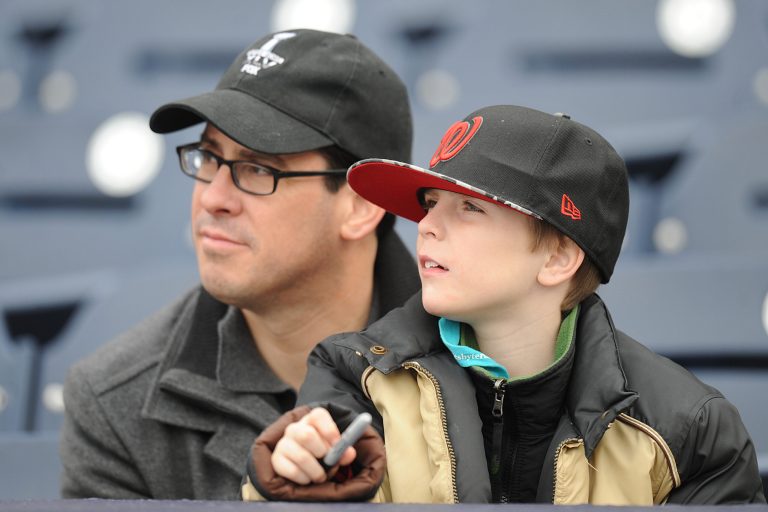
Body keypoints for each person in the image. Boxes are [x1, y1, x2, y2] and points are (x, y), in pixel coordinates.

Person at [244, 105, 766, 504]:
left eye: (469, 207)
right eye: (430, 204)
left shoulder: (691, 430)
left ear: (559, 257)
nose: (426, 226)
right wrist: (294, 484)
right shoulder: (354, 376)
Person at [60, 29, 420, 499]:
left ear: (360, 205)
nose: (212, 198)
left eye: (258, 169)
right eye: (209, 157)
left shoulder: (494, 366)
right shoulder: (114, 401)